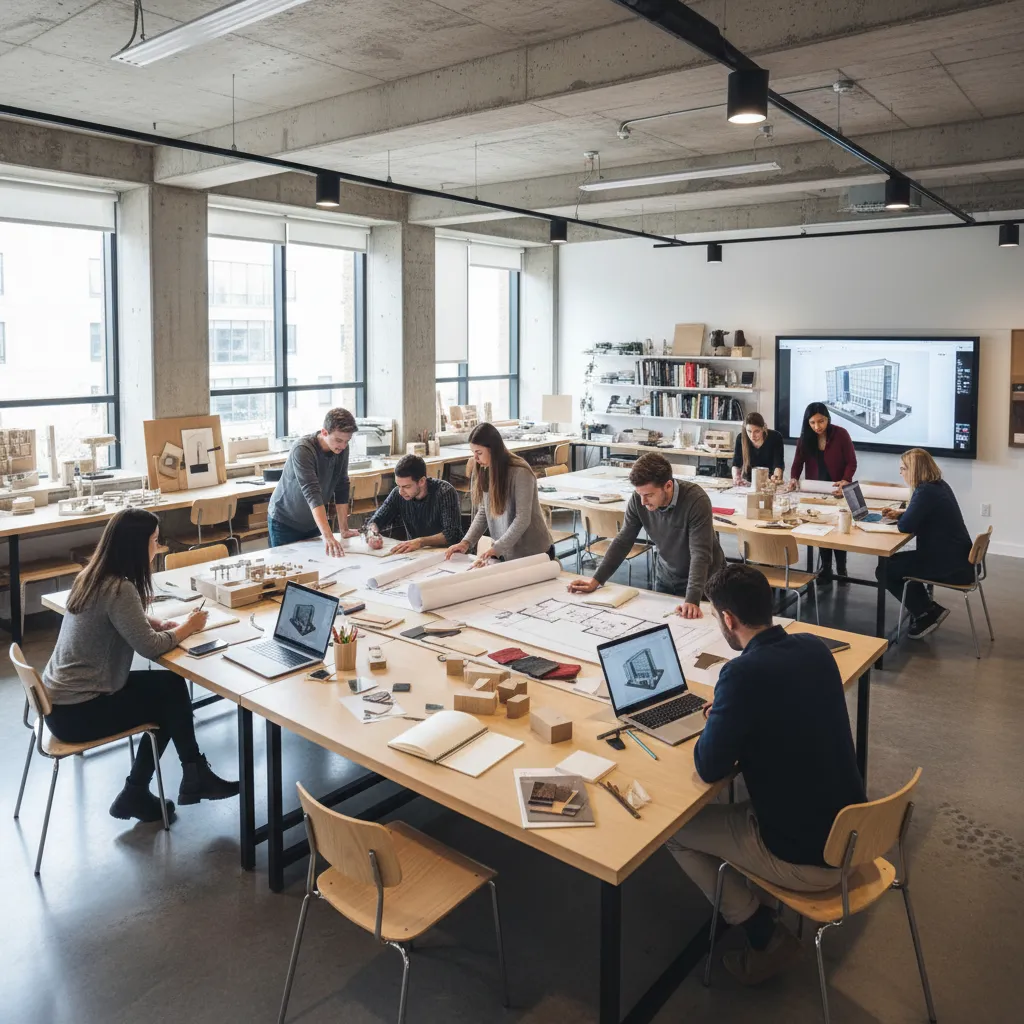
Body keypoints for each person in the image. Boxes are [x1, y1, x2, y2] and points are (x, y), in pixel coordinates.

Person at [664, 563, 866, 985]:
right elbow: (784, 706)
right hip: (853, 835)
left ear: (727, 619)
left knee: (674, 832)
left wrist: (724, 712)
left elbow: (709, 765)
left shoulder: (740, 675)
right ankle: (762, 903)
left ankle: (762, 934)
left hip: (810, 859)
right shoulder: (814, 648)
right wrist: (732, 712)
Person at [42, 508, 239, 824]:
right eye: (155, 541)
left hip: (58, 704)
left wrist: (154, 621)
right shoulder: (120, 589)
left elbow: (117, 618)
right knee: (167, 702)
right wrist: (189, 625)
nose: (158, 548)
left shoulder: (91, 576)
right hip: (78, 713)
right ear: (136, 545)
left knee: (169, 688)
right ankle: (184, 777)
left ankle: (166, 783)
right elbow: (150, 647)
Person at [567, 452, 725, 618]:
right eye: (640, 494)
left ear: (668, 486)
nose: (643, 502)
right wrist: (596, 580)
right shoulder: (638, 500)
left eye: (649, 495)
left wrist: (692, 599)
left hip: (705, 582)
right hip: (667, 576)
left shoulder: (696, 500)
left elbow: (700, 554)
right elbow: (623, 541)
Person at [878, 447, 975, 639]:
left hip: (949, 565)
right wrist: (903, 513)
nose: (901, 473)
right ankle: (927, 609)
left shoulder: (924, 491)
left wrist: (903, 517)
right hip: (960, 559)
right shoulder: (939, 485)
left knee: (885, 569)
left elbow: (906, 527)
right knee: (895, 562)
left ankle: (925, 613)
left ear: (914, 470)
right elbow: (922, 515)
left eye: (903, 469)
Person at [445, 422, 553, 567]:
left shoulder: (521, 472)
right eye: (473, 453)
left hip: (533, 553)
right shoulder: (485, 469)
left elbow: (522, 519)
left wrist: (497, 548)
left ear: (493, 450)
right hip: (506, 553)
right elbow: (484, 511)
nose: (475, 459)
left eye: (479, 453)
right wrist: (466, 542)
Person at [267, 407, 359, 556]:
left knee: (318, 569)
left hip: (313, 522)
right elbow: (312, 493)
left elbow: (342, 485)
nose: (342, 446)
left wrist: (344, 529)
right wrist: (328, 536)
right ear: (324, 432)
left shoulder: (341, 449)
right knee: (288, 571)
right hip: (285, 521)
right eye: (338, 440)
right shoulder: (303, 449)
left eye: (347, 441)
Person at [787, 401, 857, 581]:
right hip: (816, 490)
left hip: (838, 489)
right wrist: (794, 478)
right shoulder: (804, 438)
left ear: (828, 419)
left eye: (821, 421)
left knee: (839, 528)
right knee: (821, 527)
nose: (817, 426)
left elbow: (851, 462)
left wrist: (846, 480)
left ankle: (842, 569)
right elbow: (797, 463)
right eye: (812, 423)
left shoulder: (841, 434)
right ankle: (826, 568)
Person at [365, 454, 463, 554]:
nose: (401, 492)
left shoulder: (445, 492)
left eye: (406, 487)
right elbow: (375, 520)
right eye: (398, 486)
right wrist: (372, 534)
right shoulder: (398, 494)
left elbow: (452, 534)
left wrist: (420, 542)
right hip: (416, 554)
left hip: (446, 554)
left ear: (421, 481)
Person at [732, 412, 785, 485]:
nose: (752, 436)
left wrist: (776, 477)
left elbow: (778, 464)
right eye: (749, 431)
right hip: (747, 483)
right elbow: (736, 464)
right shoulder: (740, 438)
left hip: (769, 482)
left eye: (756, 431)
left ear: (763, 428)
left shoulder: (775, 437)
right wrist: (736, 477)